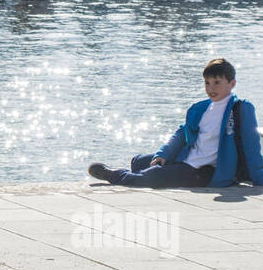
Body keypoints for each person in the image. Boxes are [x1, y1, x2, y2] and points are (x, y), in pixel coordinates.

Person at [88, 57, 263, 189]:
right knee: (140, 161)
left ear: (231, 83)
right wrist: (163, 153)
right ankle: (143, 169)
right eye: (207, 83)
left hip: (202, 170)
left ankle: (113, 174)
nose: (211, 88)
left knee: (146, 179)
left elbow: (251, 145)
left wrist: (259, 179)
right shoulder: (202, 108)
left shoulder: (241, 108)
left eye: (217, 83)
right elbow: (182, 133)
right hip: (186, 157)